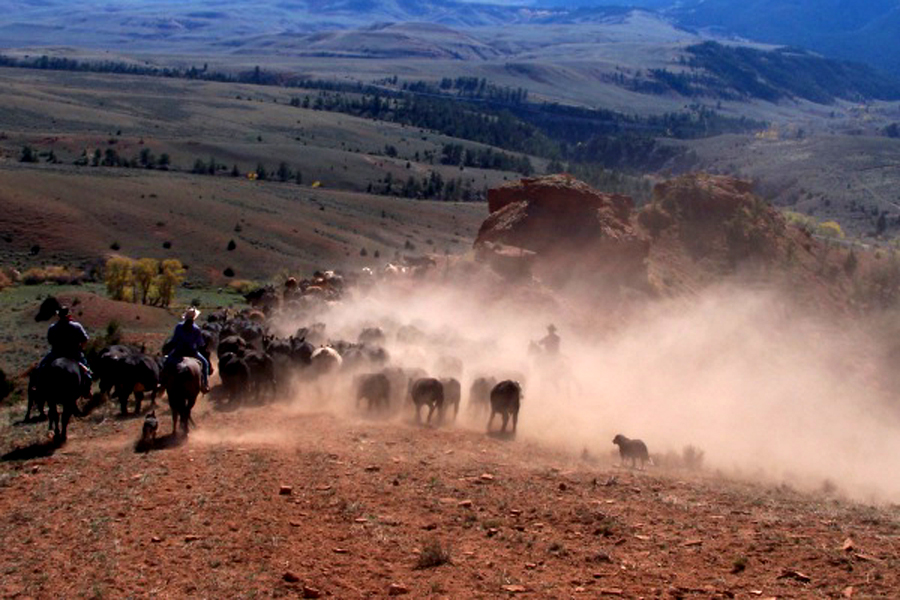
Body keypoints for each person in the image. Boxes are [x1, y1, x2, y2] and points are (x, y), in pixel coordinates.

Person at [38, 305, 92, 398]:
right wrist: (80, 348)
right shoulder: (76, 326)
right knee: (87, 372)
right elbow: (85, 339)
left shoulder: (53, 327)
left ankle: (38, 387)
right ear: (69, 315)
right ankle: (86, 391)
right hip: (74, 354)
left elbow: (50, 341)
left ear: (59, 316)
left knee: (41, 368)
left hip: (56, 354)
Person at [165, 307, 210, 393]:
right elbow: (200, 343)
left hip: (179, 351)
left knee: (166, 361)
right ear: (194, 318)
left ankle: (162, 382)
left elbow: (174, 339)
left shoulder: (179, 326)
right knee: (205, 364)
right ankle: (205, 384)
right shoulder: (196, 329)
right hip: (192, 352)